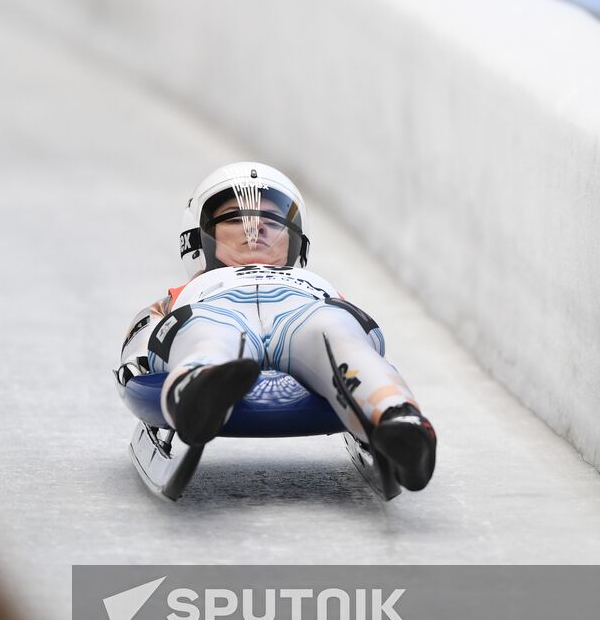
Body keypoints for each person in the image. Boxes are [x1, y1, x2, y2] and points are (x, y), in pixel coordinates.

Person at [117, 162, 436, 492]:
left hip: (301, 313)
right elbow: (146, 334)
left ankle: (401, 425)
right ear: (199, 238)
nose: (257, 229)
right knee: (209, 332)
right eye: (235, 218)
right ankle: (201, 390)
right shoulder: (184, 296)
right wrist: (137, 363)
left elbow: (363, 336)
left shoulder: (315, 285)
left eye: (272, 220)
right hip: (216, 309)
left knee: (336, 329)